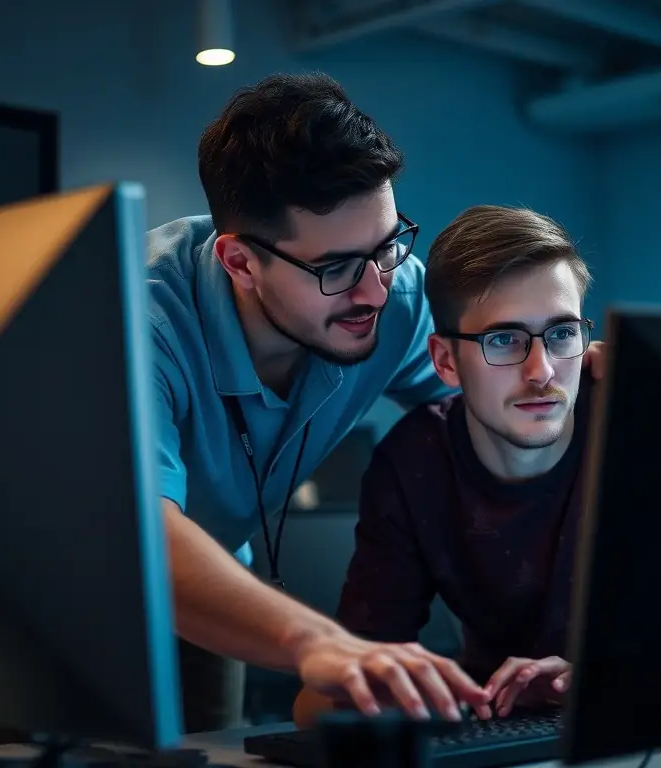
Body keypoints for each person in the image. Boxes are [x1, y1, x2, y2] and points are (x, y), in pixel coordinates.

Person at [146, 73, 606, 731]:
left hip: (218, 572)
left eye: (387, 247)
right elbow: (142, 532)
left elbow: (502, 399)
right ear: (241, 263)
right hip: (89, 576)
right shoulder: (140, 323)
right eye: (336, 269)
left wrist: (594, 384)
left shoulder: (398, 291)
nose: (375, 293)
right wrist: (324, 641)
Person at [293, 204, 595, 728]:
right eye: (503, 340)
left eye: (562, 333)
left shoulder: (633, 425)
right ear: (445, 361)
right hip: (494, 726)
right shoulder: (413, 466)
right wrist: (401, 694)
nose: (541, 370)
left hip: (644, 729)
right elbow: (326, 700)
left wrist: (597, 682)